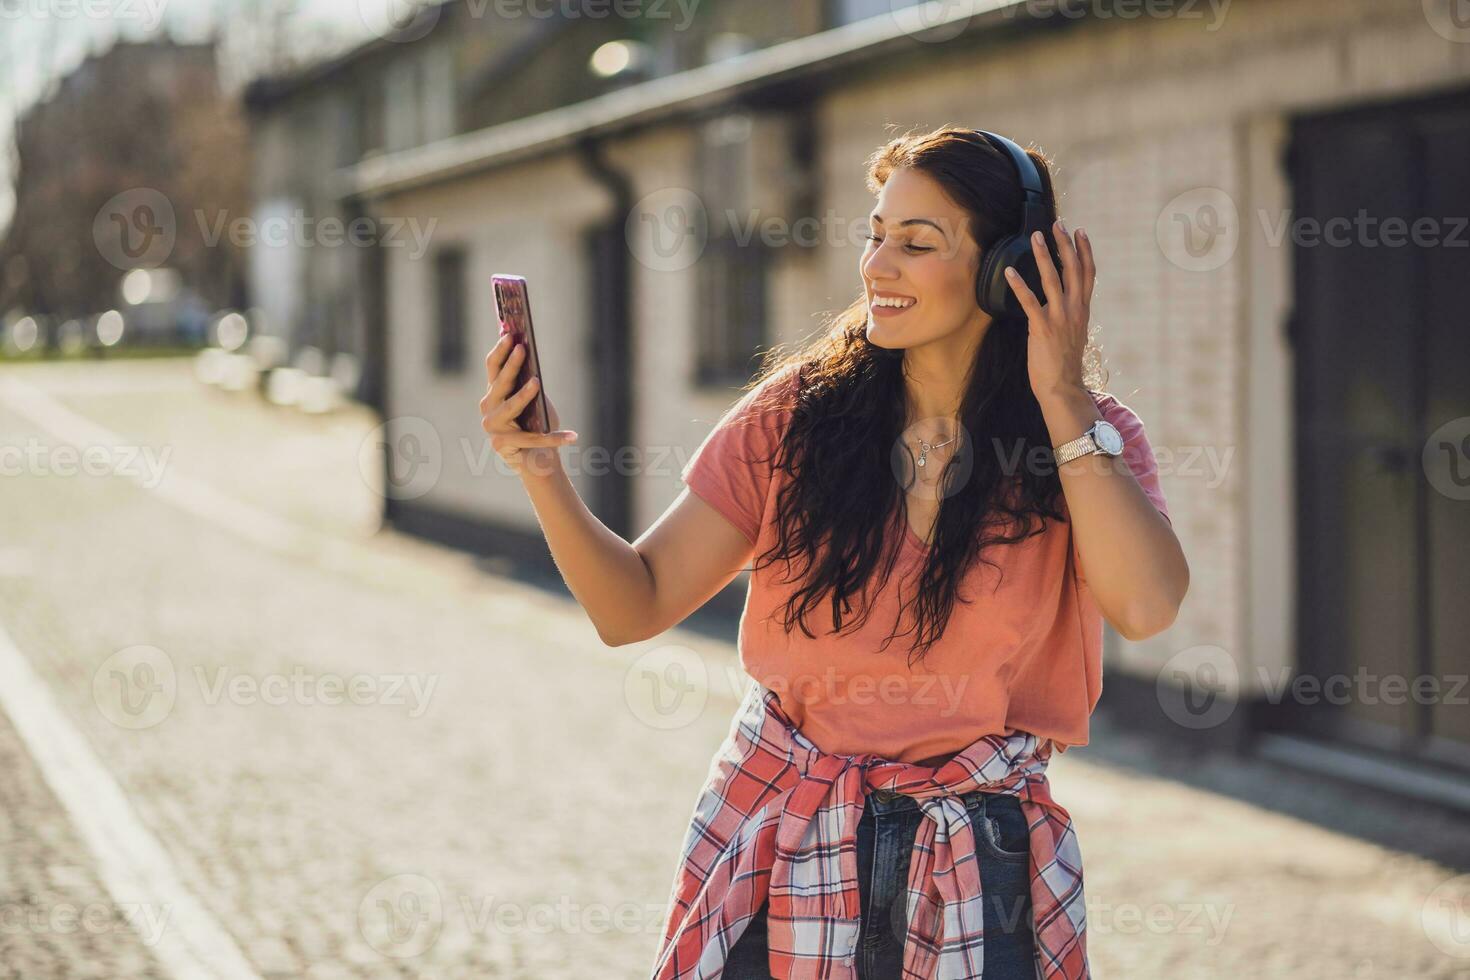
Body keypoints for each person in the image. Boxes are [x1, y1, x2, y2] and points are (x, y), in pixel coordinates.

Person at [479, 125, 1189, 979]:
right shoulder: (793, 417)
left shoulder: (1089, 441)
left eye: (917, 243)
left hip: (980, 862)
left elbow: (1146, 608)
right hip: (780, 836)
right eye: (876, 234)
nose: (877, 266)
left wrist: (1063, 396)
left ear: (1008, 272)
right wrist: (542, 473)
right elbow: (631, 606)